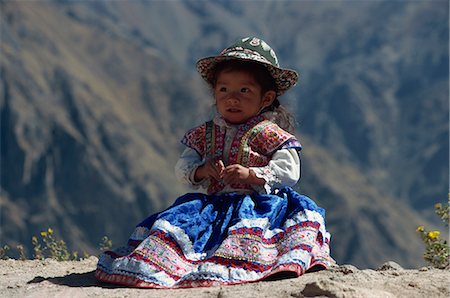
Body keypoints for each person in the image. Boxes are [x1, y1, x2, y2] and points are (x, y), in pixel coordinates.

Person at [96, 37, 333, 288]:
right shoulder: (205, 134)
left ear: (266, 98)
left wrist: (252, 175)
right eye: (224, 90)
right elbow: (182, 169)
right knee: (172, 238)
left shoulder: (270, 134)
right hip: (213, 207)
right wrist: (202, 171)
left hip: (259, 207)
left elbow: (289, 171)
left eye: (244, 91)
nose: (232, 99)